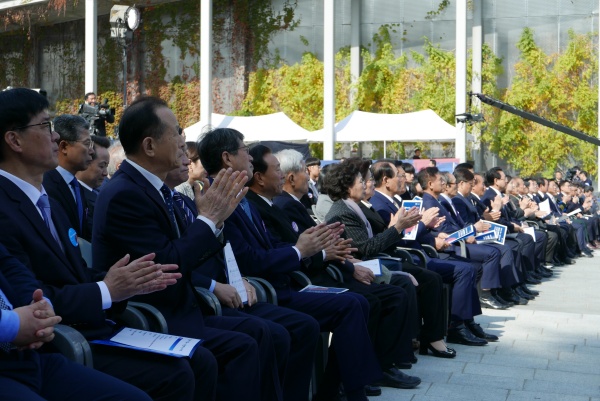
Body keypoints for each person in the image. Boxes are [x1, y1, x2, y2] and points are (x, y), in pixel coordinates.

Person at [0, 87, 213, 401]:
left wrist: (121, 284)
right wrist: (107, 289)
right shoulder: (6, 207)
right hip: (59, 340)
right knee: (179, 373)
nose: (55, 135)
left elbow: (74, 275)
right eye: (45, 126)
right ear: (14, 140)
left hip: (89, 329)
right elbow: (31, 295)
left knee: (196, 362)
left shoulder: (47, 201)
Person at [92, 96, 275, 401]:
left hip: (184, 309)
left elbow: (188, 251)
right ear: (150, 146)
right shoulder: (126, 194)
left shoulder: (155, 189)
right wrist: (208, 220)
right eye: (176, 131)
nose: (183, 140)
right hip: (155, 317)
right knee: (242, 346)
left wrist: (213, 224)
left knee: (259, 333)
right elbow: (169, 263)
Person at [197, 128, 385, 401]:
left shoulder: (241, 198)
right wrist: (300, 251)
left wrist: (306, 247)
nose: (250, 158)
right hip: (260, 290)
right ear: (227, 158)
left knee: (353, 303)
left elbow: (268, 247)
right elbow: (247, 258)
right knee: (314, 321)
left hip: (276, 284)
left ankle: (342, 390)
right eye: (244, 152)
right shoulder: (217, 199)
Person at [257, 147, 421, 391]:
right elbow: (314, 251)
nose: (368, 185)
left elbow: (331, 247)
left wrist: (339, 255)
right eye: (362, 181)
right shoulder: (293, 206)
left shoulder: (298, 205)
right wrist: (394, 230)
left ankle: (367, 371)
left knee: (392, 289)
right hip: (309, 278)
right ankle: (351, 379)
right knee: (367, 300)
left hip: (330, 269)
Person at [0, 242, 153, 401]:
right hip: (53, 342)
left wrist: (39, 307)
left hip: (26, 357)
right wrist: (15, 325)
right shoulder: (8, 218)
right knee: (175, 376)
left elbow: (9, 265)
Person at [42, 115, 94, 241]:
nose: (91, 151)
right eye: (87, 144)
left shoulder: (76, 186)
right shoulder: (46, 185)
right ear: (64, 146)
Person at [75, 134, 110, 230]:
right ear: (86, 161)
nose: (105, 173)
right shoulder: (76, 197)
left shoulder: (106, 191)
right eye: (102, 166)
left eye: (107, 166)